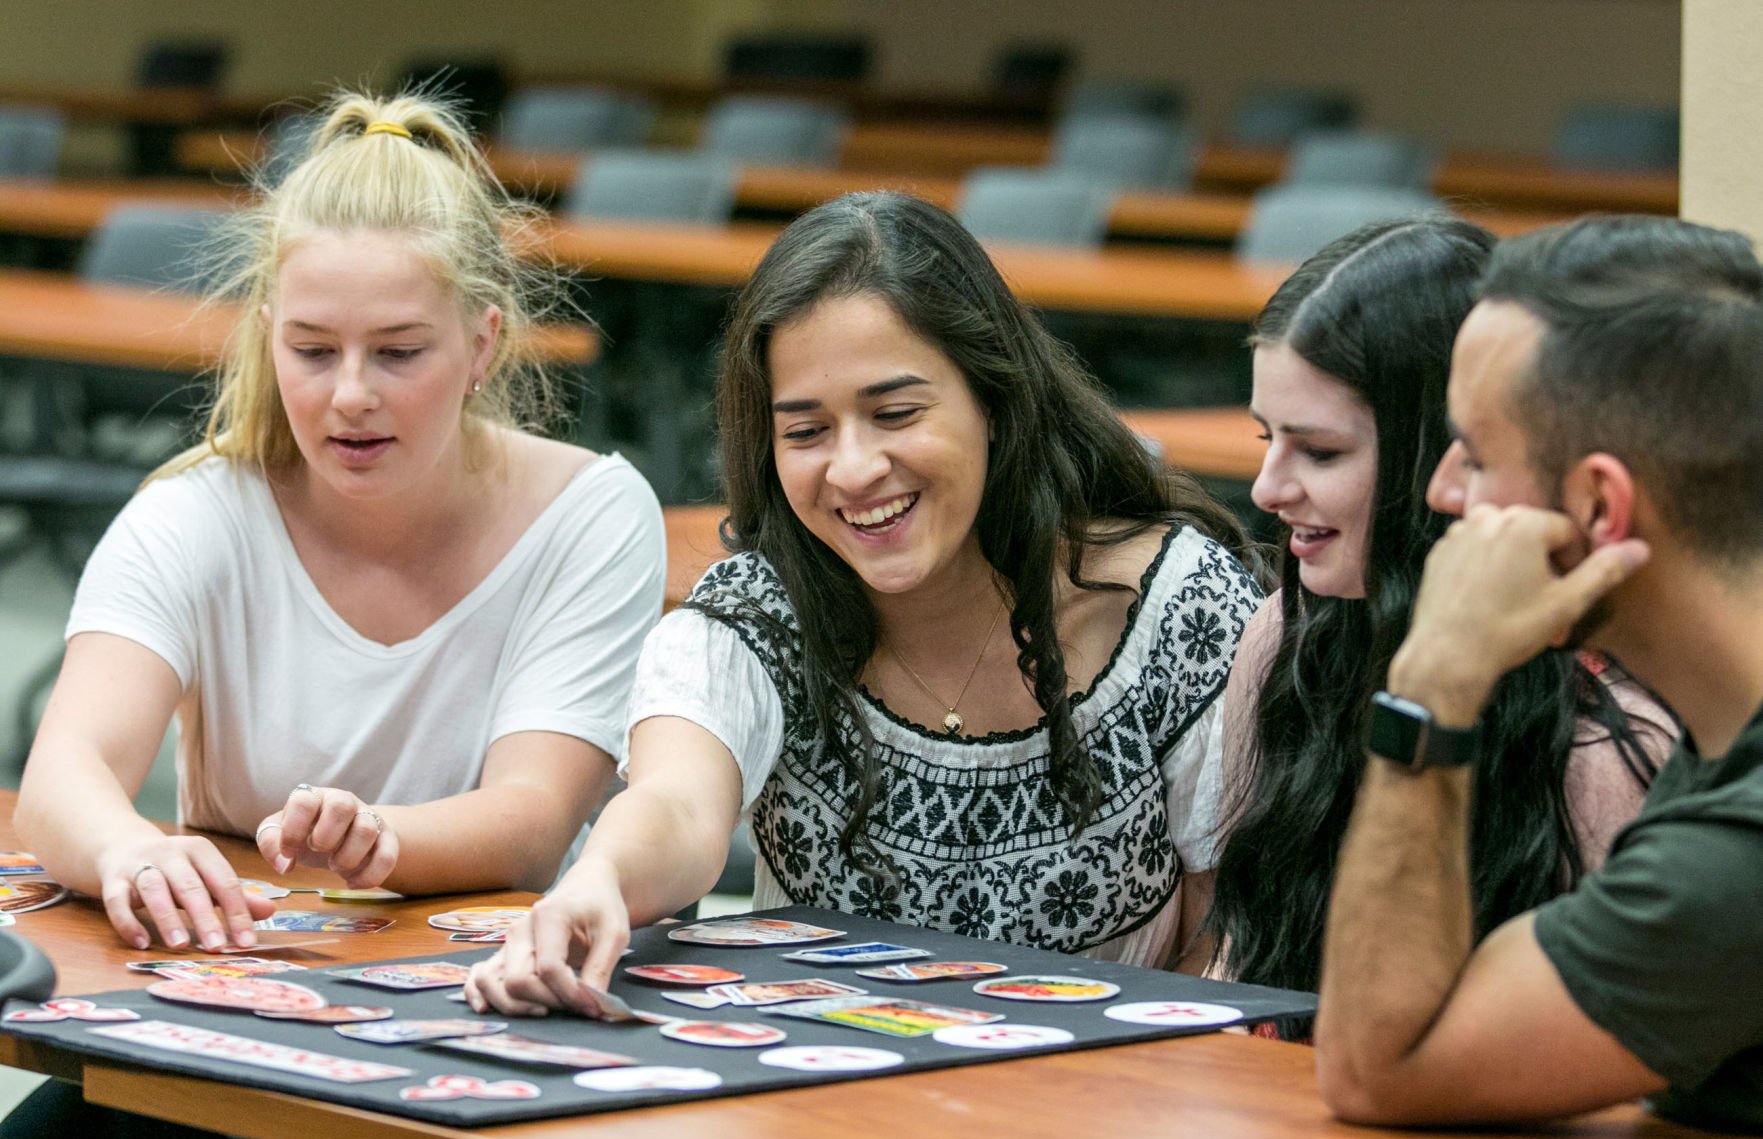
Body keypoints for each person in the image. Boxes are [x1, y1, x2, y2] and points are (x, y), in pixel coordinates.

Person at [468, 190, 1262, 1015]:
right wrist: (598, 878)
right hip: (820, 1112)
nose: (852, 470)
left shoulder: (1180, 610)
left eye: (895, 413)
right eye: (805, 432)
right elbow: (675, 801)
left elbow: (1229, 931)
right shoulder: (755, 613)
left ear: (993, 396)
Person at [14, 90, 662, 952]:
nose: (350, 396)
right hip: (236, 966)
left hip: (480, 986)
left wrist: (381, 837)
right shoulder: (195, 510)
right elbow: (62, 773)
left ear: (482, 344)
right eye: (312, 351)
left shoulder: (591, 515)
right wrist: (126, 847)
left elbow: (532, 818)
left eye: (399, 352)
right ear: (268, 332)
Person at [1316, 215, 1763, 1134]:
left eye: (1474, 455)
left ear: (1598, 504)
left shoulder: (1740, 857)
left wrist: (1432, 686)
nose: (1441, 491)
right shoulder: (1727, 731)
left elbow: (1378, 1067)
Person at [1207, 218, 1671, 1019]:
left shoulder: (1607, 743)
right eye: (1264, 438)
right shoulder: (1286, 635)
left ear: (1444, 458)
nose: (1265, 488)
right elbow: (1234, 964)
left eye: (1318, 451)